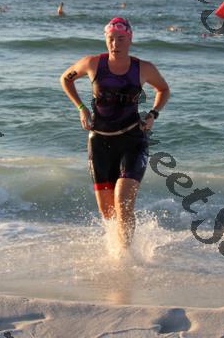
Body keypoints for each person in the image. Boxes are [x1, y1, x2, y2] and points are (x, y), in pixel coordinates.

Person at [59, 17, 170, 250]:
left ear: (130, 40)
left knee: (123, 200)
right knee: (108, 211)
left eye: (120, 39)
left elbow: (163, 89)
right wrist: (81, 108)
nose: (115, 44)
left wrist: (153, 114)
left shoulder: (143, 68)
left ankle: (125, 256)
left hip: (132, 139)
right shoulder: (92, 63)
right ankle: (118, 249)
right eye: (110, 39)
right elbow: (66, 79)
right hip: (99, 142)